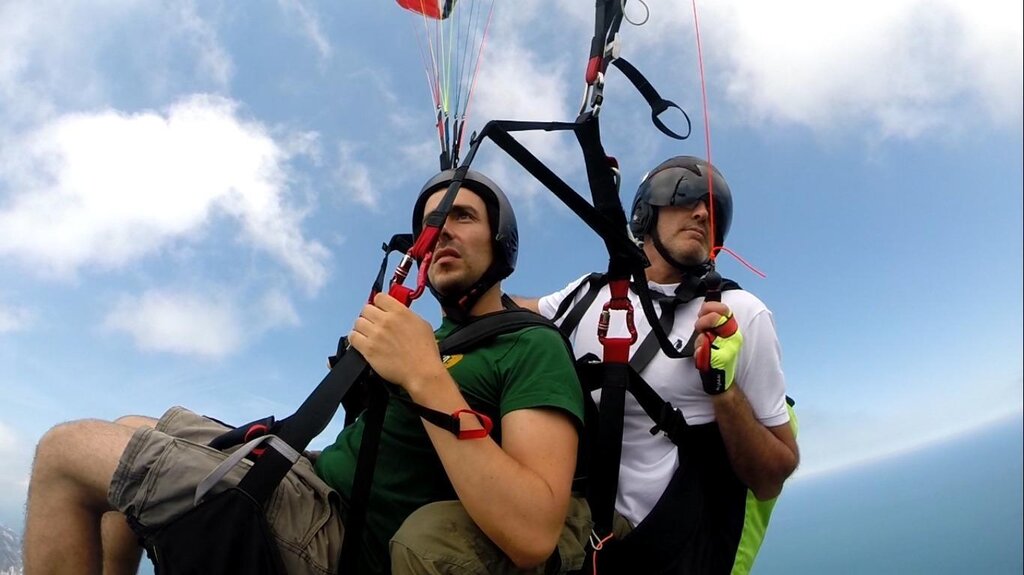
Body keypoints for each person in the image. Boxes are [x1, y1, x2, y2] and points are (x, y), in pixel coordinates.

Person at [23, 169, 589, 574]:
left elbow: (534, 531)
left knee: (65, 452)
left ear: (502, 239)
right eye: (427, 222)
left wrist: (425, 377)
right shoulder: (432, 338)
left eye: (459, 216)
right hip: (312, 482)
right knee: (130, 425)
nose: (436, 232)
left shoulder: (529, 345)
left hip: (337, 538)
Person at [516, 155, 799, 574]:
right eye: (684, 196)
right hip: (577, 525)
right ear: (645, 212)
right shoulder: (590, 294)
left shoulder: (740, 314)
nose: (703, 213)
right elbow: (514, 310)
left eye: (713, 211)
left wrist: (722, 390)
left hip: (662, 549)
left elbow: (771, 476)